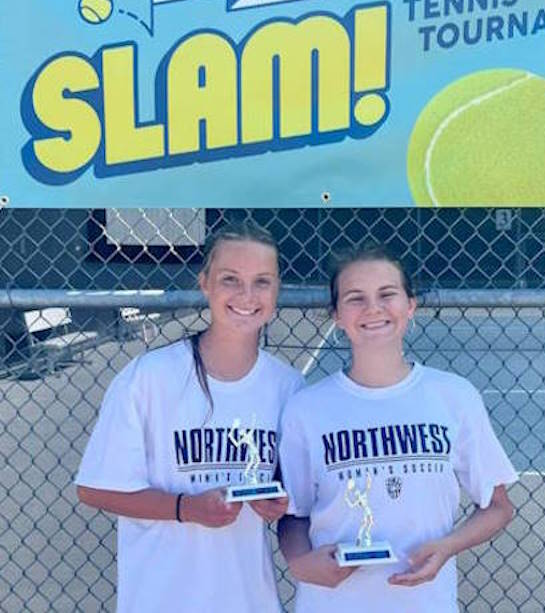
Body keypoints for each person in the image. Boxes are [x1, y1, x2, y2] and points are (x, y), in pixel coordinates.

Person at [76, 222, 303, 613]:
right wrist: (187, 508)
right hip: (162, 599)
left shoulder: (289, 386)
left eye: (262, 282)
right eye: (230, 279)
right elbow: (95, 489)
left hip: (249, 600)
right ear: (205, 284)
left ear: (277, 289)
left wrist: (277, 503)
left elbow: (291, 490)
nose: (247, 295)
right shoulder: (148, 377)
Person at [278, 245, 517, 612]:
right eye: (355, 298)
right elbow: (293, 515)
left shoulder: (453, 396)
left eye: (387, 294)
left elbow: (498, 507)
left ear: (410, 306)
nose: (373, 308)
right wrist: (300, 563)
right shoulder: (305, 410)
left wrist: (448, 546)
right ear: (336, 316)